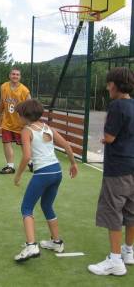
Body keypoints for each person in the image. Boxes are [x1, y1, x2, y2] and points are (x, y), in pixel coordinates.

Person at [13, 99, 78, 262]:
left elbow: (27, 156)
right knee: (46, 205)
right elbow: (67, 145)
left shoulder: (26, 130)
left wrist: (18, 174)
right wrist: (73, 163)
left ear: (25, 115)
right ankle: (56, 242)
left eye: (19, 115)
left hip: (42, 173)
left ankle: (31, 245)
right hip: (57, 171)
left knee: (26, 208)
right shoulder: (48, 127)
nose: (18, 118)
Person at [88, 67, 134, 276]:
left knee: (113, 211)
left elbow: (109, 137)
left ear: (114, 85)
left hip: (118, 169)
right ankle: (129, 251)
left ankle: (115, 261)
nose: (107, 87)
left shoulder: (117, 105)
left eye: (108, 84)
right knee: (131, 211)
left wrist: (104, 137)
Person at [0, 67, 32, 174]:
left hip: (20, 123)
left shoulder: (24, 90)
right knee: (6, 143)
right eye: (13, 74)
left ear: (20, 77)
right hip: (7, 122)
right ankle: (10, 166)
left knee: (24, 144)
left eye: (17, 74)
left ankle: (31, 163)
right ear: (9, 75)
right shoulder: (4, 86)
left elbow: (31, 105)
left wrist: (30, 121)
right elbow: (2, 101)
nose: (15, 76)